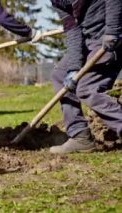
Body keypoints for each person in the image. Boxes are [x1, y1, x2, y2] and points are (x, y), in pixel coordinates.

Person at [49, 0, 122, 153]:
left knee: (87, 89)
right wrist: (74, 67)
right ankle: (79, 136)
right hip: (90, 40)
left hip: (111, 36)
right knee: (59, 76)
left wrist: (113, 29)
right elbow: (72, 30)